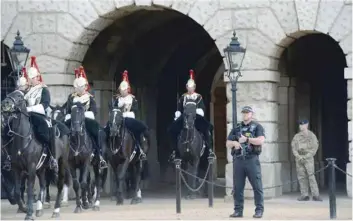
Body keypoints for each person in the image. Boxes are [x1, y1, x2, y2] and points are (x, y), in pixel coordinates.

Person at [64, 66, 108, 169]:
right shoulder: (71, 97)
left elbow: (94, 111)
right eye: (78, 87)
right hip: (73, 119)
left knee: (98, 132)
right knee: (62, 131)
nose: (79, 89)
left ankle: (100, 155)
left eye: (81, 87)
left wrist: (85, 115)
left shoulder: (90, 97)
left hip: (87, 119)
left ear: (85, 87)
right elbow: (67, 110)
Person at [226, 106, 265, 218]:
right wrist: (235, 143)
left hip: (252, 159)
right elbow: (228, 143)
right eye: (243, 113)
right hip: (239, 160)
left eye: (247, 113)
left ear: (251, 114)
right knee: (238, 187)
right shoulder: (237, 128)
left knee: (257, 186)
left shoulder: (257, 127)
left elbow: (261, 140)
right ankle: (238, 210)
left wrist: (247, 140)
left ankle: (259, 210)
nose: (245, 115)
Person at [23, 56, 58, 174]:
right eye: (29, 78)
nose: (30, 80)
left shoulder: (43, 90)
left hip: (39, 115)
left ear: (37, 77)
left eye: (32, 78)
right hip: (26, 115)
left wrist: (30, 108)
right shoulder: (27, 91)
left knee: (47, 128)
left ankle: (52, 156)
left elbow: (45, 105)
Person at [168, 69, 213, 159]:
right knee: (172, 129)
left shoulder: (198, 97)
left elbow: (202, 107)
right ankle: (174, 150)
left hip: (196, 116)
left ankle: (210, 150)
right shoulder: (183, 97)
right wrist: (178, 114)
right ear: (186, 87)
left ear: (194, 87)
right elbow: (179, 107)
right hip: (185, 116)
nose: (190, 89)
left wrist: (197, 112)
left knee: (207, 128)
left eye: (192, 87)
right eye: (189, 87)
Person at [108, 70, 148, 160]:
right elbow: (114, 109)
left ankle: (140, 149)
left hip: (129, 119)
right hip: (118, 119)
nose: (122, 92)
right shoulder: (117, 100)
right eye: (121, 90)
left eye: (124, 90)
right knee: (108, 128)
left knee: (136, 131)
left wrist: (126, 113)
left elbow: (135, 110)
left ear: (128, 89)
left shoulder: (132, 99)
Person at [291, 119, 322, 201]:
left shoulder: (312, 136)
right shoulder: (296, 136)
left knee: (311, 176)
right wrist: (298, 156)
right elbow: (293, 148)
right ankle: (304, 195)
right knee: (301, 177)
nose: (301, 126)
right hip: (299, 158)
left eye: (303, 125)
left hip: (308, 158)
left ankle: (315, 195)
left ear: (307, 125)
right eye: (300, 125)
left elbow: (314, 147)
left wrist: (307, 156)